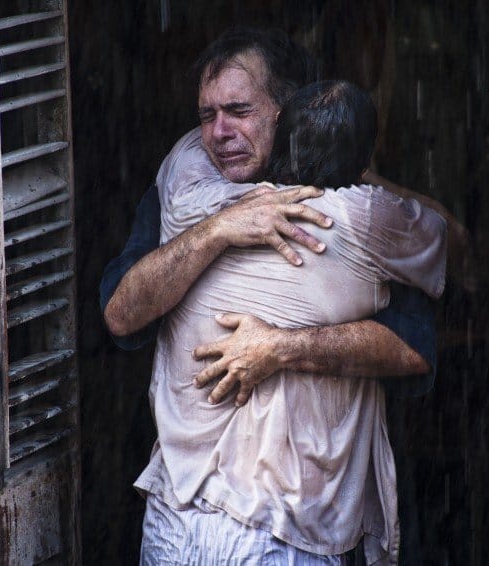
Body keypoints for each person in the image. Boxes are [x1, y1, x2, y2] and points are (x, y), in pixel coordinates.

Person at [99, 28, 443, 562]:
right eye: (206, 114)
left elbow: (414, 349)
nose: (219, 132)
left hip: (290, 530)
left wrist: (281, 347)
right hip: (175, 516)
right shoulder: (184, 193)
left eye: (238, 110)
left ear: (288, 113)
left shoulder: (353, 215)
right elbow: (121, 315)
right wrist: (218, 229)